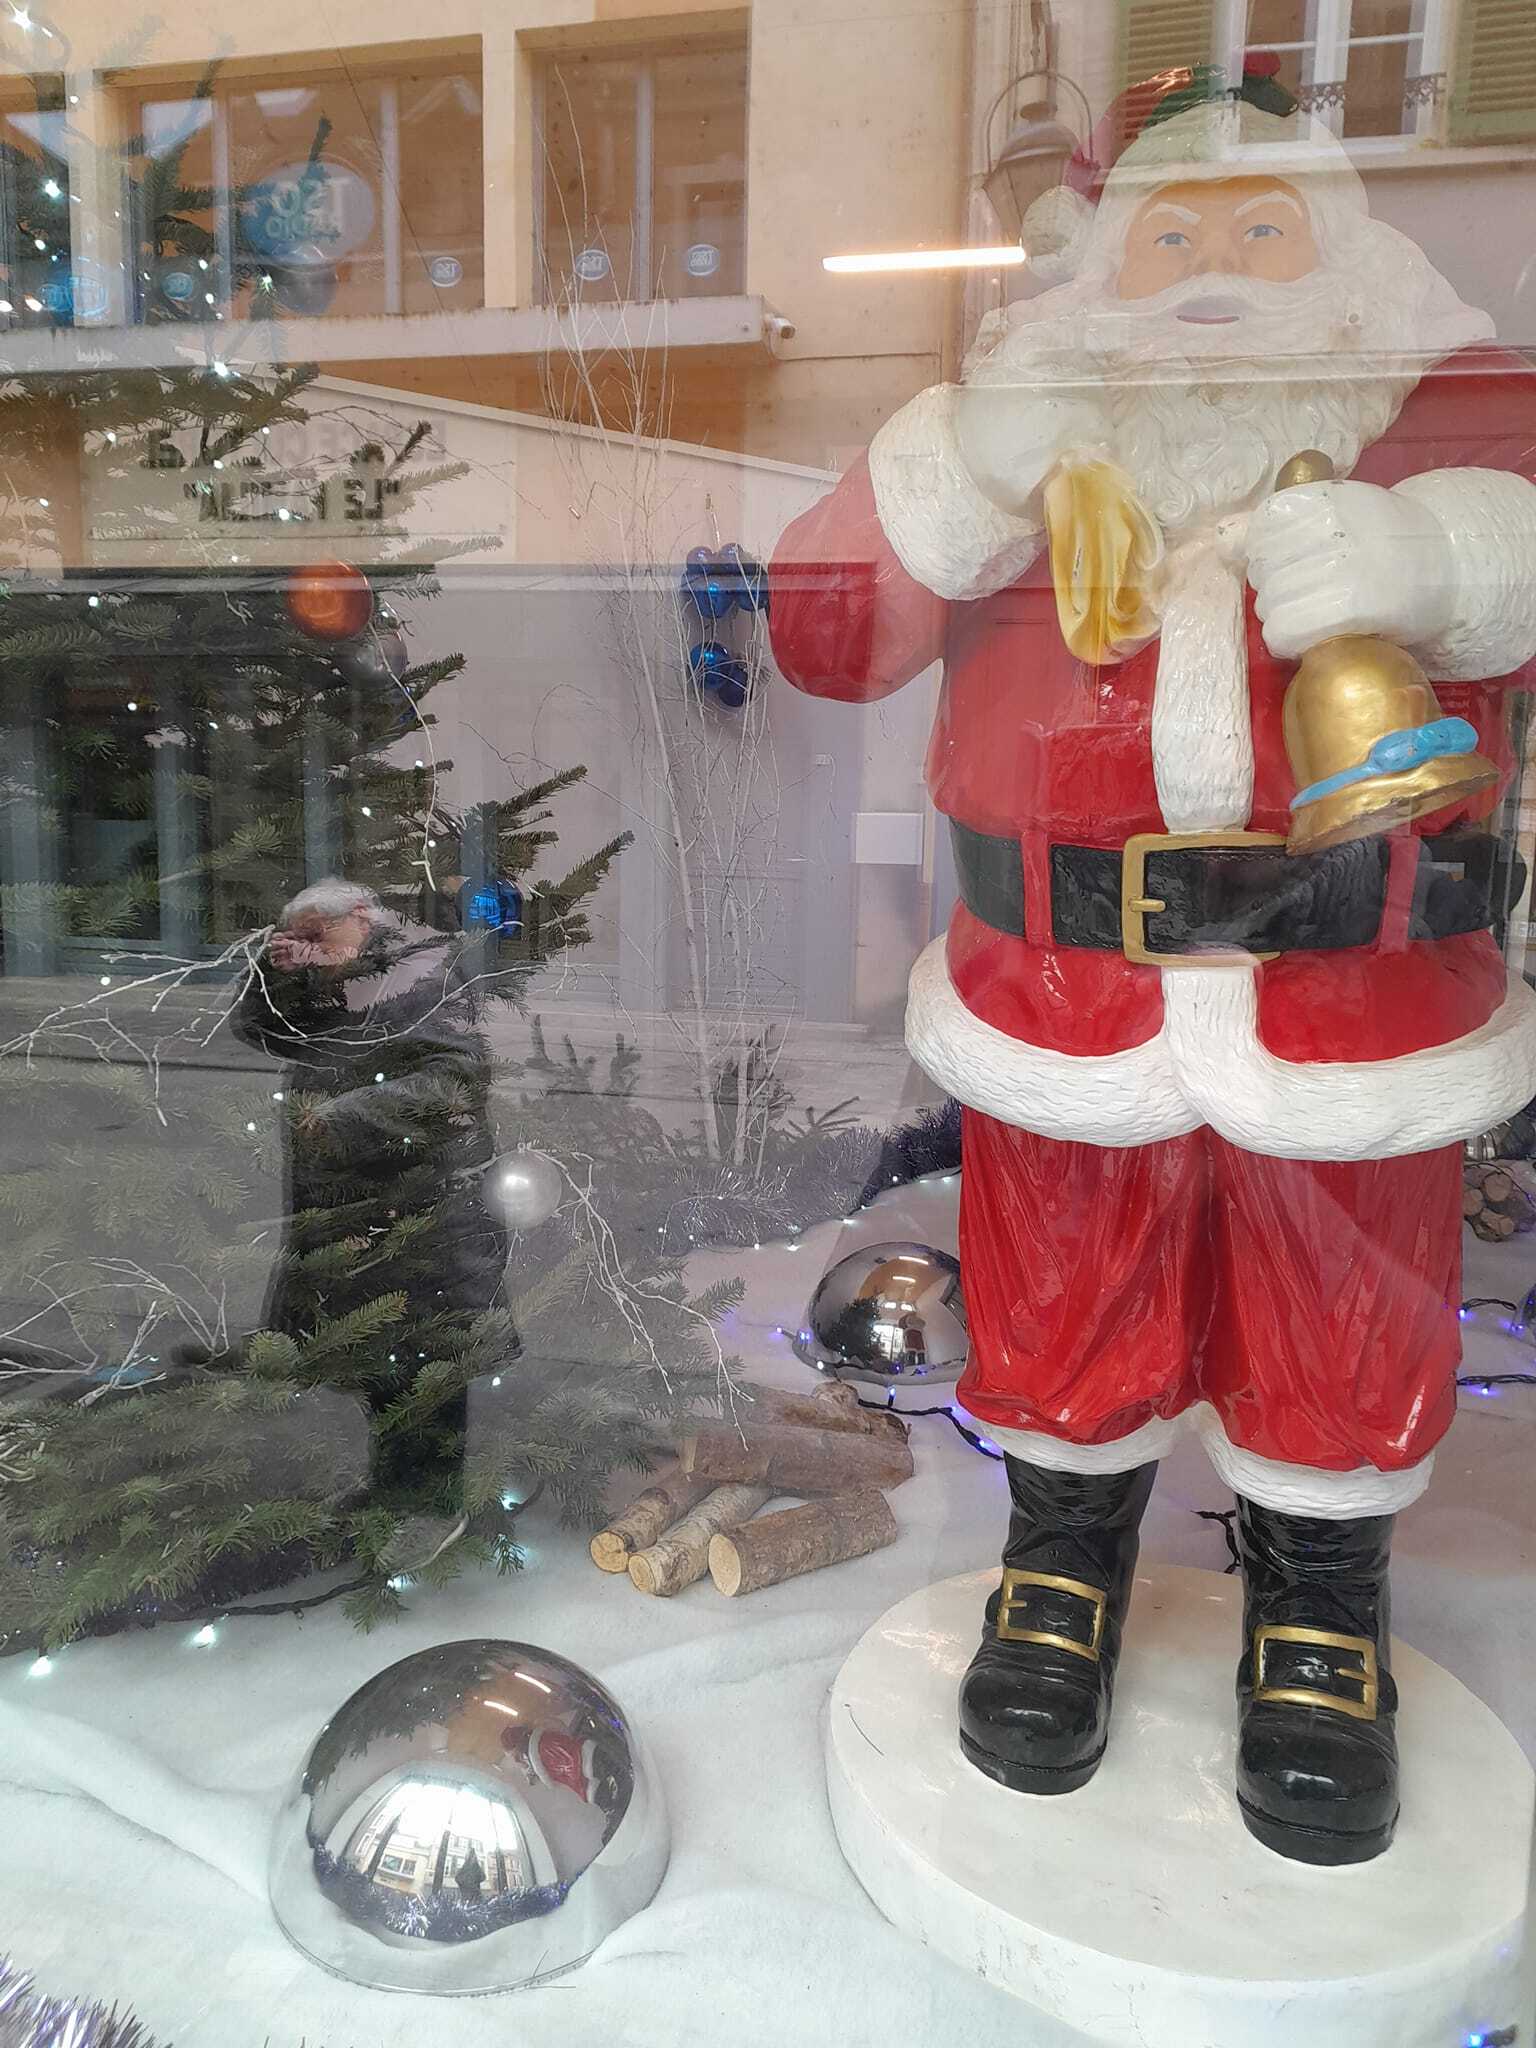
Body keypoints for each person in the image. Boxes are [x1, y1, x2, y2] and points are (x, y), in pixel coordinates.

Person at [768, 63, 1536, 1865]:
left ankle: (1321, 1608)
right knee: (1062, 1286)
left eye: (1264, 233)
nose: (1213, 275)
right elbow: (822, 635)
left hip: (1350, 994)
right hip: (1067, 989)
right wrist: (970, 465)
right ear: (1097, 261)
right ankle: (1060, 1567)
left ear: (1346, 266)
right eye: (1172, 238)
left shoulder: (1437, 415)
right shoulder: (1018, 427)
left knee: (1345, 1302)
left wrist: (1431, 553)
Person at [231, 877, 513, 1574]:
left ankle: (434, 1504)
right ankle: (391, 1489)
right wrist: (279, 970)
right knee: (373, 1358)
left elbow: (458, 1076)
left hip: (421, 1204)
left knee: (423, 1360)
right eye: (300, 938)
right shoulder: (329, 976)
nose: (312, 950)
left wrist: (345, 1117)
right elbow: (256, 1030)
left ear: (360, 918)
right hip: (346, 1207)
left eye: (318, 935)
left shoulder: (421, 971)